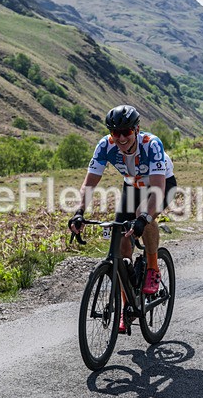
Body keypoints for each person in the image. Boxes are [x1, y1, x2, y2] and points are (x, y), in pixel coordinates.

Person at [68, 105, 177, 329]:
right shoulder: (105, 146)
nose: (120, 138)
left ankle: (153, 267)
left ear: (136, 129)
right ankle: (125, 308)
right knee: (121, 244)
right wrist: (79, 212)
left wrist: (144, 218)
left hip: (161, 184)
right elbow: (89, 184)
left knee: (142, 215)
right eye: (115, 133)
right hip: (132, 186)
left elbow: (157, 189)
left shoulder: (151, 145)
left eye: (126, 132)